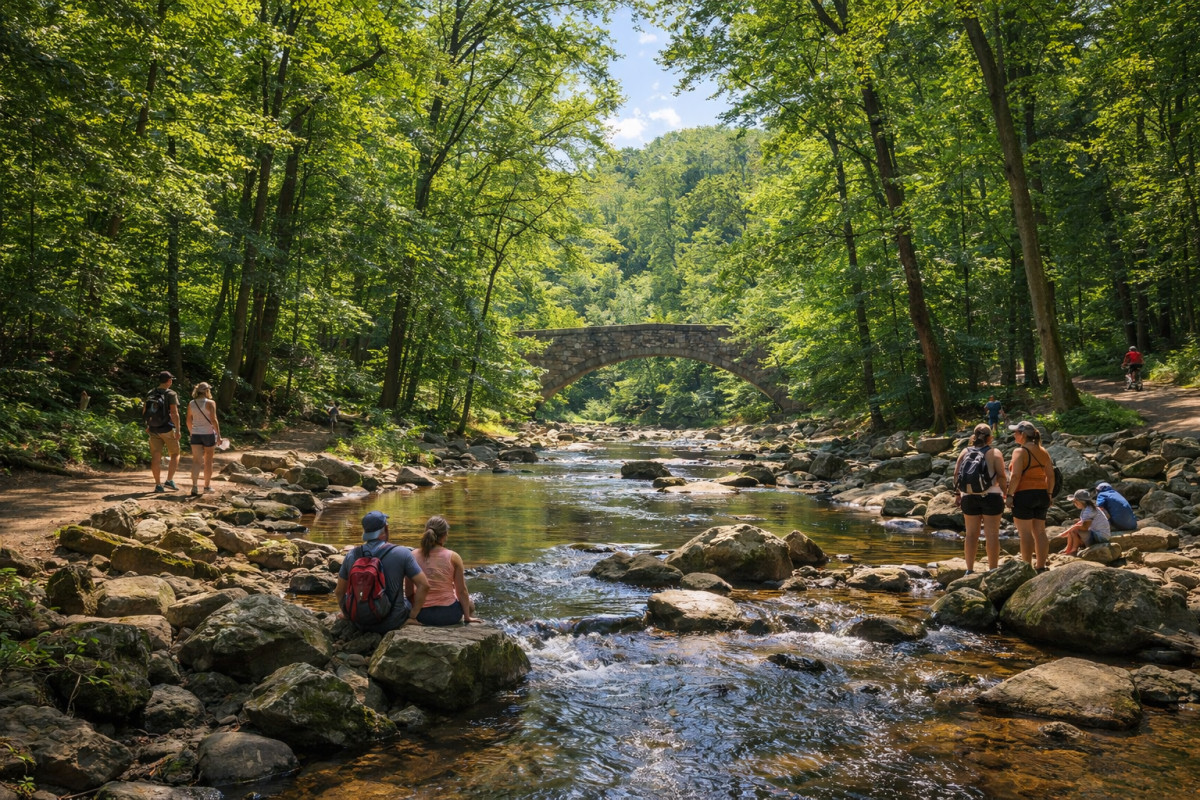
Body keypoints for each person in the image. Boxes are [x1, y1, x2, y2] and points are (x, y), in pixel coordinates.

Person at [336, 511, 429, 633]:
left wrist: (347, 613)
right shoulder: (402, 553)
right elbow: (424, 585)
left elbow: (339, 592)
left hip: (359, 622)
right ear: (386, 528)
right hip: (392, 622)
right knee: (407, 602)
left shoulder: (352, 555)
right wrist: (413, 615)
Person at [953, 423, 1009, 575]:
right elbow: (1002, 477)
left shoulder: (964, 451)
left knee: (971, 534)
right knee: (992, 534)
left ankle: (969, 569)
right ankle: (992, 570)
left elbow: (956, 475)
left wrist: (958, 494)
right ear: (990, 438)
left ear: (974, 436)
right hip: (991, 496)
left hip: (969, 497)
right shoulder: (995, 452)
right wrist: (1007, 494)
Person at [407, 515, 481, 626]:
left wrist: (413, 613)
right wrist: (467, 617)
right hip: (450, 615)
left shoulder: (412, 556)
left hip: (422, 615)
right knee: (470, 603)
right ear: (444, 535)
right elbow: (461, 591)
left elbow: (409, 592)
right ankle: (469, 618)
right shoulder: (453, 557)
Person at [1006, 420, 1056, 572]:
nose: (1014, 435)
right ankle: (1041, 566)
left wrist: (1009, 494)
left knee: (1025, 533)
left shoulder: (1019, 452)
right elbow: (1051, 476)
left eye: (1016, 432)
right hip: (1042, 494)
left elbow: (1015, 476)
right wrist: (1049, 493)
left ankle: (1026, 567)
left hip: (1024, 495)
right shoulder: (1043, 451)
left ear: (1022, 435)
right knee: (1040, 532)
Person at [143, 371, 181, 493]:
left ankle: (158, 485)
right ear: (169, 381)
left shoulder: (151, 392)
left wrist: (148, 425)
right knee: (175, 454)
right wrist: (178, 430)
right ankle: (169, 480)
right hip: (167, 429)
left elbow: (145, 411)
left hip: (153, 429)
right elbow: (174, 413)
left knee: (156, 456)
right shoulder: (171, 393)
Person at [186, 382, 220, 496]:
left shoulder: (191, 403)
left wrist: (192, 432)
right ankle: (206, 486)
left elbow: (188, 420)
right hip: (208, 434)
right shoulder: (210, 403)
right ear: (207, 391)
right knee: (208, 461)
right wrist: (219, 436)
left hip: (195, 434)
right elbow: (214, 420)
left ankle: (194, 486)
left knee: (196, 461)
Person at [1059, 489, 1112, 554]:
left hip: (1101, 537)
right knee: (1072, 530)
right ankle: (1068, 548)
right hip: (1097, 535)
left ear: (1081, 501)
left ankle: (1074, 550)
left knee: (1074, 530)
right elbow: (1080, 523)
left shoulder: (1089, 511)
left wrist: (1072, 528)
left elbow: (1085, 527)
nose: (1074, 504)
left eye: (1075, 501)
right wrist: (1065, 532)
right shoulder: (1087, 509)